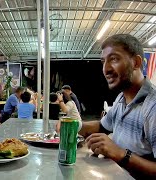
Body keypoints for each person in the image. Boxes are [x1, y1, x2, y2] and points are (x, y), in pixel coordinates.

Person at [57, 34, 156, 179]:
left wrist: (121, 154)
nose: (106, 69)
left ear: (136, 62)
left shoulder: (152, 106)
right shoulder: (122, 98)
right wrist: (73, 125)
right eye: (103, 61)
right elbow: (101, 126)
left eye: (114, 59)